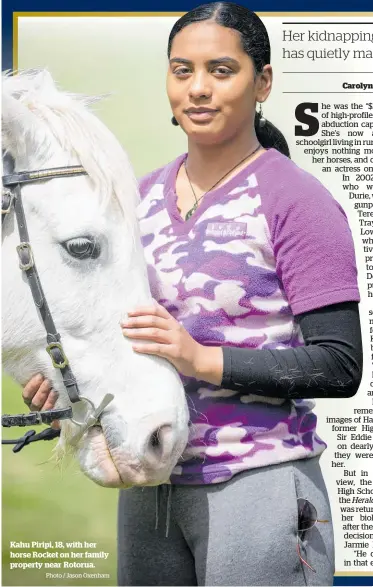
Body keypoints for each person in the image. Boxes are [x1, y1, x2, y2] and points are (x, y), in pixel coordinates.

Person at [22, 3, 363, 585]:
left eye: (221, 70)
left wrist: (200, 359)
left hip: (259, 484)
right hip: (148, 486)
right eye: (182, 70)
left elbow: (340, 365)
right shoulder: (134, 200)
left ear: (263, 83)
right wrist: (71, 393)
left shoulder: (297, 201)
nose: (198, 89)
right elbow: (118, 333)